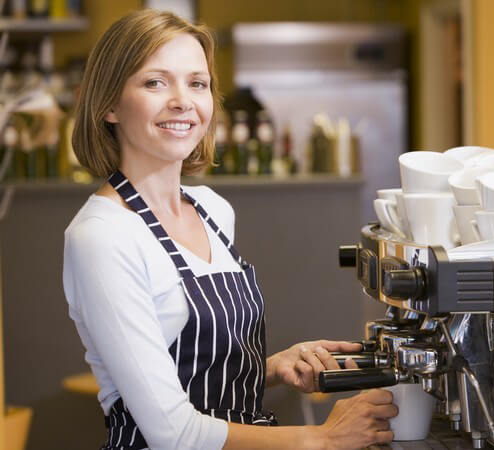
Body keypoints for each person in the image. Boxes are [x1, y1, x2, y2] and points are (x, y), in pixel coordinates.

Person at [63, 9, 397, 449]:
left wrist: (270, 368)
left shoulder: (211, 210)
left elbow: (191, 384)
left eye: (197, 83)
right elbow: (171, 431)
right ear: (108, 104)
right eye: (155, 82)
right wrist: (324, 438)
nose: (183, 100)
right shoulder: (102, 236)